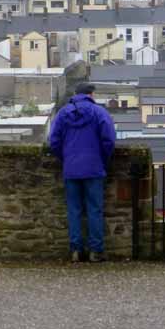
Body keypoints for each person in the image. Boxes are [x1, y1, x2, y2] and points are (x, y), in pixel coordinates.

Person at [49, 83, 116, 263]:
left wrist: (66, 158)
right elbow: (109, 140)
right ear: (91, 94)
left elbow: (54, 141)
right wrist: (102, 159)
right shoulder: (99, 112)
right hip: (94, 167)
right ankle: (96, 251)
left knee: (74, 210)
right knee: (95, 209)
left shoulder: (63, 113)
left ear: (75, 94)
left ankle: (76, 250)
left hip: (71, 168)